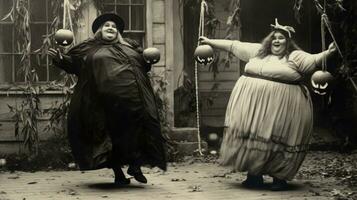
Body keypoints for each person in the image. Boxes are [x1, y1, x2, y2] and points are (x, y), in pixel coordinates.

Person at [199, 19, 336, 191]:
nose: (276, 41)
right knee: (254, 135)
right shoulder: (258, 52)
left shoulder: (294, 57)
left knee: (278, 138)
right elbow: (234, 45)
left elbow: (315, 59)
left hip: (281, 106)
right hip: (253, 106)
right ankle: (254, 175)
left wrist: (329, 52)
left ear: (288, 42)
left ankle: (279, 178)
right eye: (274, 38)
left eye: (281, 38)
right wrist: (210, 42)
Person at [48, 13, 167, 185]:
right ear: (99, 31)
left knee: (137, 131)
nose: (110, 27)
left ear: (117, 31)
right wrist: (61, 59)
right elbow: (75, 64)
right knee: (110, 137)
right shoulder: (89, 48)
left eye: (113, 26)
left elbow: (144, 65)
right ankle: (118, 173)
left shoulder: (131, 46)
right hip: (104, 102)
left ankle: (135, 166)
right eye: (106, 25)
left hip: (133, 100)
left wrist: (149, 59)